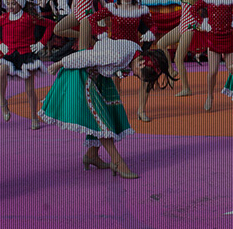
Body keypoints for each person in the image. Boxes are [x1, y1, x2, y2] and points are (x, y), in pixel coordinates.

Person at [40, 39, 168, 179]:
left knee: (107, 115)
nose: (135, 75)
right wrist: (60, 64)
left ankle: (92, 155)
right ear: (142, 62)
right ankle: (118, 162)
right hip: (82, 74)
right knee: (102, 123)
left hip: (96, 77)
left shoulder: (135, 51)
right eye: (138, 74)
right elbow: (86, 57)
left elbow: (106, 44)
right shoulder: (117, 56)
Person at [87, 0, 159, 121]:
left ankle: (141, 110)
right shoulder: (112, 7)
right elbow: (92, 18)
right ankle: (116, 112)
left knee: (146, 75)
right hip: (116, 49)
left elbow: (153, 26)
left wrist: (150, 33)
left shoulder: (140, 9)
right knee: (115, 81)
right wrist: (101, 34)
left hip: (134, 50)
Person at [0, 0, 54, 129]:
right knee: (1, 70)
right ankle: (2, 102)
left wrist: (41, 43)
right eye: (8, 3)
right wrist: (0, 44)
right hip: (9, 54)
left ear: (20, 4)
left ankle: (34, 117)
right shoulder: (3, 18)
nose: (10, 7)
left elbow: (50, 25)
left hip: (26, 55)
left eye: (13, 3)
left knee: (29, 88)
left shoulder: (28, 18)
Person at [158, 0, 210, 97]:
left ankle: (186, 88)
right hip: (182, 23)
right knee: (161, 44)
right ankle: (171, 70)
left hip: (190, 26)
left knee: (178, 58)